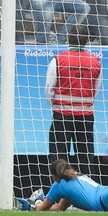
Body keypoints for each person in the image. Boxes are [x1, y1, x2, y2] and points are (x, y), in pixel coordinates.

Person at [45, 25, 102, 177]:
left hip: (61, 115)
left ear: (68, 39)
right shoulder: (95, 62)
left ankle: (58, 196)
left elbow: (49, 89)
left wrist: (57, 103)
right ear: (86, 41)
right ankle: (87, 197)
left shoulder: (58, 60)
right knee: (86, 157)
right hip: (86, 116)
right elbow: (95, 90)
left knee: (58, 158)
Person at [18, 159, 108, 211]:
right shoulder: (78, 175)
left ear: (54, 176)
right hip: (104, 194)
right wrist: (34, 206)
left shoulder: (58, 185)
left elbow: (42, 210)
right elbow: (59, 208)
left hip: (102, 201)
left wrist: (37, 202)